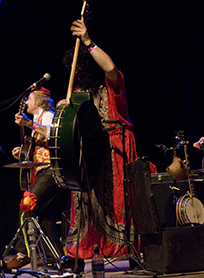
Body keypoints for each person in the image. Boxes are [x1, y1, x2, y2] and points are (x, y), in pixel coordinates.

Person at [58, 19, 157, 260]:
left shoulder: (110, 85)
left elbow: (111, 68)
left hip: (115, 147)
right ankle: (84, 247)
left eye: (80, 68)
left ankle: (124, 247)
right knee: (85, 199)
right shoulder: (78, 96)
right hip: (89, 152)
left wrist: (89, 42)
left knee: (117, 201)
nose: (77, 74)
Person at [5, 88, 77, 270]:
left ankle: (22, 254)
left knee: (27, 205)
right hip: (44, 171)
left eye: (29, 99)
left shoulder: (48, 115)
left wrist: (29, 125)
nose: (27, 102)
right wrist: (22, 152)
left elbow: (54, 135)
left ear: (38, 101)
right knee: (43, 215)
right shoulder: (39, 118)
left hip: (52, 171)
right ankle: (56, 258)